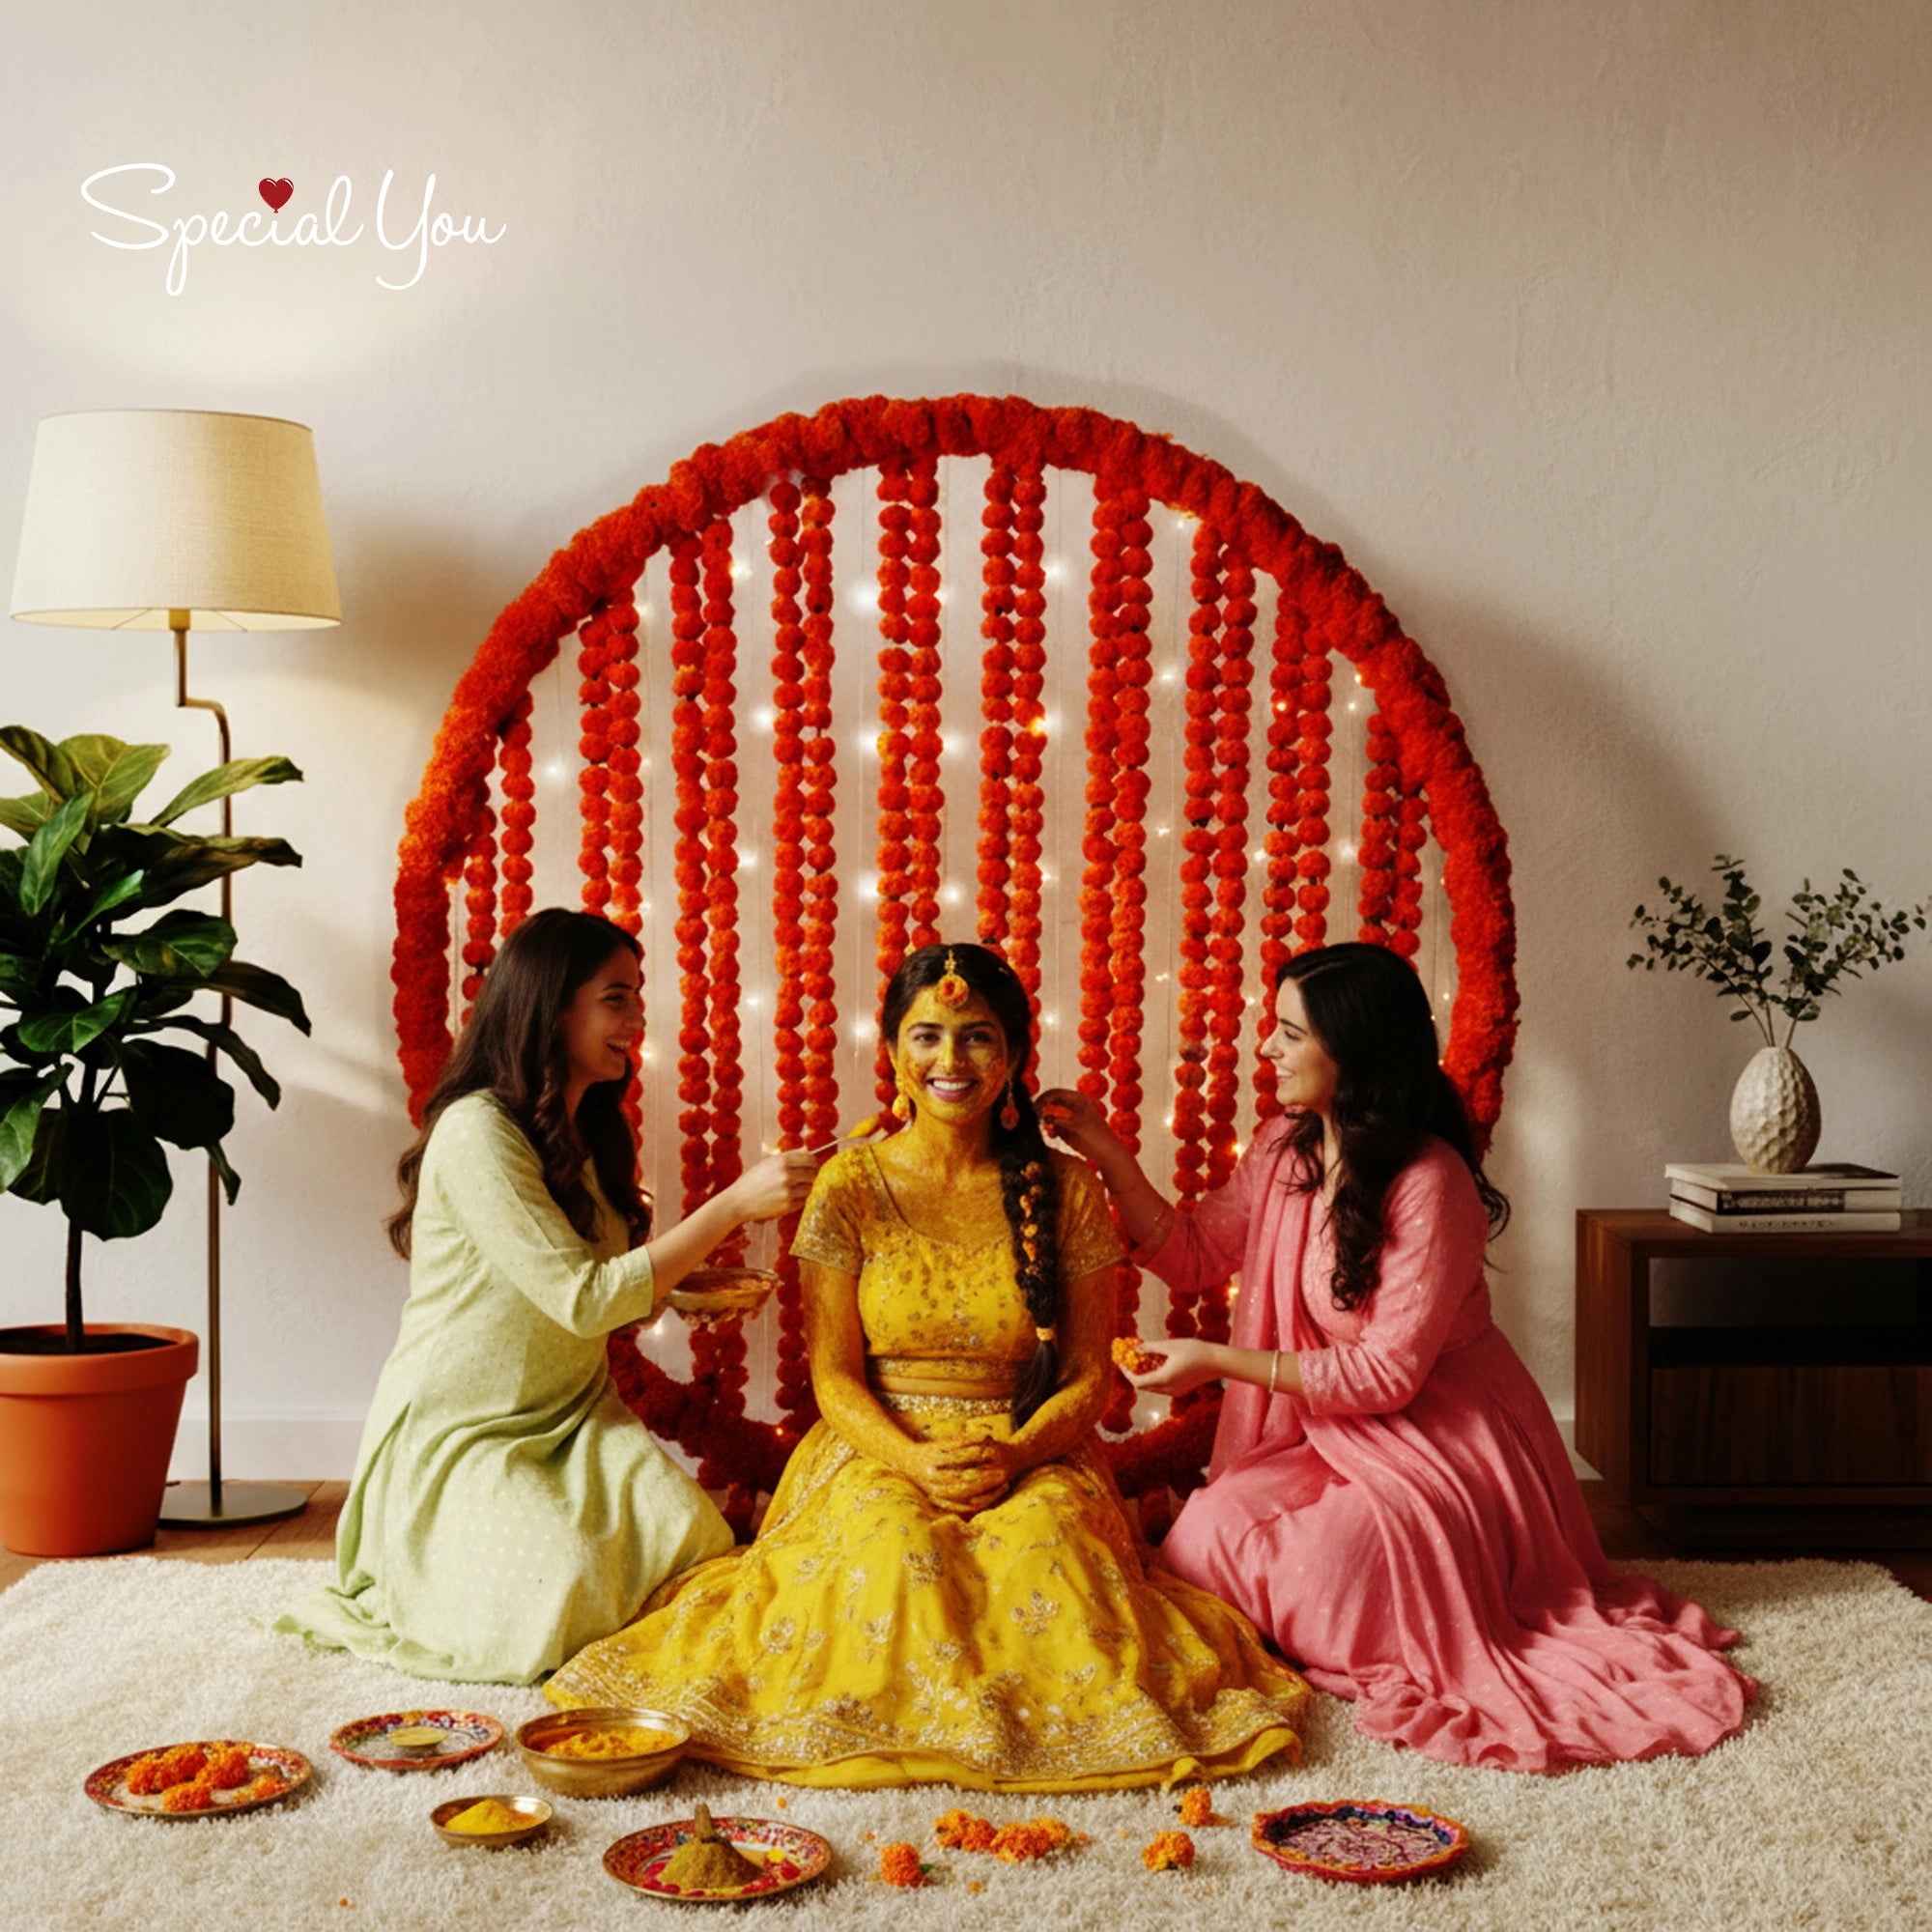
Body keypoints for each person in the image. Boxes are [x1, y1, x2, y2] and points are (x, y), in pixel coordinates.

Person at [546, 941, 1309, 1789]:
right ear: (895, 1054)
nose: (952, 1060)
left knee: (1043, 1551)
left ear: (1015, 1055)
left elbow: (1092, 1378)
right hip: (877, 1443)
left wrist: (1016, 1455)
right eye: (928, 1036)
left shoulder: (1068, 1191)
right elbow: (832, 1376)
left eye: (978, 1037)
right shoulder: (850, 1184)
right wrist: (911, 1458)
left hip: (1032, 1444)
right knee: (892, 1553)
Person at [1038, 942, 1755, 1775]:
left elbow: (1387, 1376)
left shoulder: (1430, 1180)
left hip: (1442, 1438)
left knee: (1317, 1567)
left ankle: (1370, 1608)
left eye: (1288, 1033)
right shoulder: (1285, 1149)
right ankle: (1338, 1603)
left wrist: (1220, 1361)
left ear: (1355, 1049)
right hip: (1330, 1433)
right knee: (1202, 1539)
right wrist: (1104, 1150)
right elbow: (1194, 1251)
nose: (1266, 1049)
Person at [276, 909, 815, 1685]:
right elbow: (584, 1299)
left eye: (636, 998)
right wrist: (730, 1206)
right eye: (616, 998)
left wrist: (676, 1288)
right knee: (558, 1587)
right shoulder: (476, 1133)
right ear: (549, 1004)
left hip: (575, 1419)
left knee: (696, 1552)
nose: (637, 1020)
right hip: (468, 1432)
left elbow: (581, 1280)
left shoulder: (580, 1132)